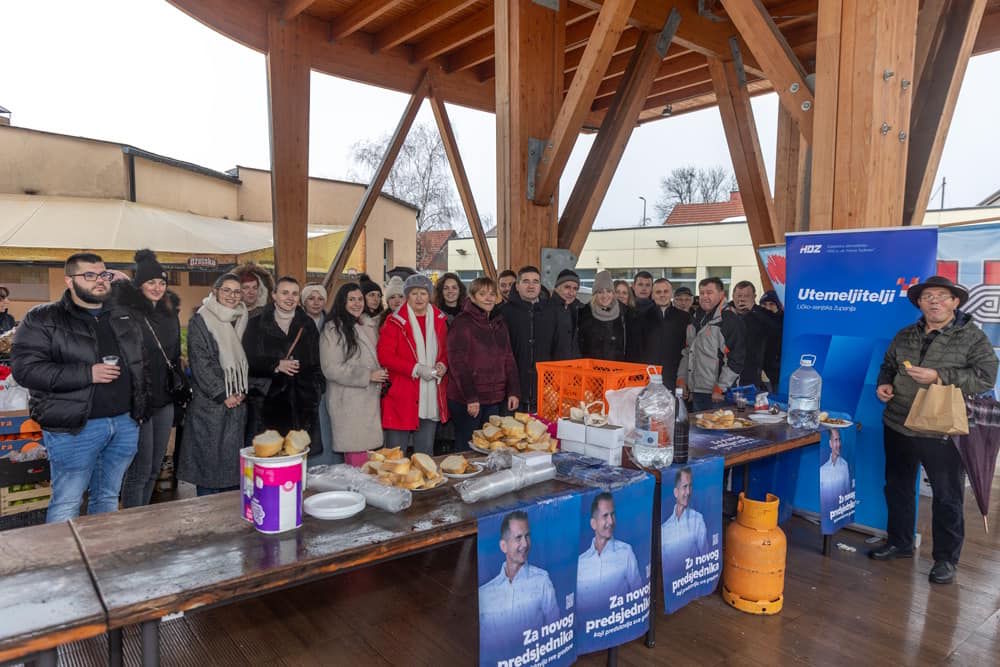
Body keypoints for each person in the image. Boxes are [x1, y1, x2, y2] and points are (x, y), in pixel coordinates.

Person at [870, 276, 998, 584]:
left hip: (942, 430)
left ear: (955, 302)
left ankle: (945, 559)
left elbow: (985, 377)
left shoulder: (972, 337)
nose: (934, 301)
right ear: (919, 302)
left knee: (947, 496)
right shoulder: (905, 335)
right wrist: (884, 383)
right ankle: (899, 542)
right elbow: (889, 364)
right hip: (898, 422)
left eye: (942, 296)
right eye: (928, 296)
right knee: (897, 486)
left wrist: (939, 376)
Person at [12, 253, 148, 522]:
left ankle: (101, 558)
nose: (99, 281)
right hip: (73, 428)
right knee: (67, 501)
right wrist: (87, 373)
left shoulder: (122, 315)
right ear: (69, 280)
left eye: (103, 274)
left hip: (123, 423)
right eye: (89, 275)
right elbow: (25, 370)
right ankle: (64, 563)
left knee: (108, 496)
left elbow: (140, 363)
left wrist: (139, 409)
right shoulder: (43, 318)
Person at [118, 250, 182, 508]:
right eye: (151, 282)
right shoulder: (127, 314)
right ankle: (133, 521)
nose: (157, 287)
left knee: (155, 467)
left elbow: (176, 355)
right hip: (139, 400)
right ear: (139, 285)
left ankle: (143, 516)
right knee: (140, 469)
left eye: (162, 282)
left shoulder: (170, 315)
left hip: (165, 398)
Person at [177, 273, 248, 496]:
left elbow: (246, 360)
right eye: (226, 290)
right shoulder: (201, 320)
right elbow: (201, 362)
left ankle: (231, 518)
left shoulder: (242, 317)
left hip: (237, 403)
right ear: (215, 291)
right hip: (211, 405)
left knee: (233, 472)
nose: (232, 295)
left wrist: (242, 390)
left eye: (236, 291)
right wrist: (222, 394)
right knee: (208, 469)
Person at [243, 276, 323, 450]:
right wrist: (276, 365)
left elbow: (317, 362)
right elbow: (247, 360)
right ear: (274, 295)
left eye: (295, 293)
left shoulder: (307, 324)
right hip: (267, 405)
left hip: (302, 405)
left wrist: (316, 390)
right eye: (285, 292)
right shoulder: (256, 324)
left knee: (298, 457)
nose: (290, 297)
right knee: (269, 457)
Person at [378, 274, 449, 455]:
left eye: (423, 293)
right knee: (395, 453)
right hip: (401, 394)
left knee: (425, 452)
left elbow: (446, 350)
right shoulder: (394, 322)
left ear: (429, 296)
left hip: (430, 394)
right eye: (414, 293)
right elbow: (384, 356)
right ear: (407, 297)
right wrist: (416, 368)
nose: (419, 298)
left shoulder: (440, 320)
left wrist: (443, 364)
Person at [446, 277, 519, 450]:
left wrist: (514, 391)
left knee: (488, 447)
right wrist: (471, 397)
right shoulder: (462, 322)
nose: (489, 298)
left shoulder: (499, 323)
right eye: (482, 294)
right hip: (467, 400)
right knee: (467, 447)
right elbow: (458, 363)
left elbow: (508, 358)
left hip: (493, 398)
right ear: (472, 296)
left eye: (492, 294)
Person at [320, 283, 388, 465]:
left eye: (359, 299)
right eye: (351, 299)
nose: (357, 304)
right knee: (356, 461)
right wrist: (368, 375)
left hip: (367, 401)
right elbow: (331, 368)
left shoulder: (367, 324)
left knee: (366, 461)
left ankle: (361, 493)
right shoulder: (333, 329)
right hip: (349, 403)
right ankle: (356, 493)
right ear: (342, 302)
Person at [479, 511, 560, 650]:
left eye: (527, 536)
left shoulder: (542, 581)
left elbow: (555, 630)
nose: (525, 544)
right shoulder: (484, 593)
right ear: (503, 546)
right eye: (518, 538)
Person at [677, 277, 746, 412]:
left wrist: (721, 387)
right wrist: (682, 378)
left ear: (721, 294)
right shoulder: (696, 318)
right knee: (698, 431)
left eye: (709, 292)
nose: (704, 296)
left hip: (718, 395)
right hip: (697, 391)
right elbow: (688, 352)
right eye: (702, 293)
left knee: (719, 431)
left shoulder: (728, 319)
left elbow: (736, 358)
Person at [501, 266, 562, 413]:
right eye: (526, 281)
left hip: (544, 389)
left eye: (535, 281)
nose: (531, 285)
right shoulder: (504, 312)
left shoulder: (551, 311)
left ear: (540, 285)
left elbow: (558, 347)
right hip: (512, 392)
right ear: (517, 285)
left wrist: (555, 384)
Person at [577, 493, 642, 614]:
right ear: (593, 523)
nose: (611, 521)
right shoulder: (581, 563)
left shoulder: (626, 552)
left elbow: (638, 595)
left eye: (613, 514)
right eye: (605, 516)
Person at [300, 283, 336, 465]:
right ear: (303, 301)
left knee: (330, 427)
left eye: (320, 298)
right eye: (311, 299)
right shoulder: (296, 322)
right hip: (306, 386)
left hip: (331, 383)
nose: (316, 303)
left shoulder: (332, 323)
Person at [638, 278, 691, 389]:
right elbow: (636, 349)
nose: (662, 295)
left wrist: (685, 379)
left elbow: (689, 350)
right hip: (647, 378)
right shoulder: (641, 317)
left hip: (675, 378)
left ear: (671, 293)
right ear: (652, 295)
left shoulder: (685, 318)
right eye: (658, 292)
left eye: (665, 291)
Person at [731, 280, 779, 389]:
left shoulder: (761, 314)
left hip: (752, 375)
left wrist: (753, 308)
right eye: (739, 295)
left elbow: (776, 328)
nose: (742, 299)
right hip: (727, 376)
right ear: (733, 296)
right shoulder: (726, 313)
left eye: (747, 296)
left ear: (754, 297)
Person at [578, 270, 631, 361]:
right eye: (600, 292)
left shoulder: (625, 313)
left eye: (609, 291)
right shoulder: (583, 313)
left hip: (618, 369)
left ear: (613, 294)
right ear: (595, 294)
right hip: (592, 370)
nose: (605, 296)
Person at [661, 467, 709, 567]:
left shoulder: (697, 520)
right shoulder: (664, 529)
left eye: (690, 486)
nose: (688, 492)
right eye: (684, 487)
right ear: (676, 492)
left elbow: (705, 559)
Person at [550, 269, 582, 359]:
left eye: (575, 288)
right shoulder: (546, 310)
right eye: (567, 287)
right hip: (553, 368)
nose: (571, 292)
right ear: (557, 287)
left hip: (576, 367)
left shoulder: (580, 309)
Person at [820, 428, 851, 514]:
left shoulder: (845, 465)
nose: (839, 444)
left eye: (839, 440)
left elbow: (847, 493)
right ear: (830, 443)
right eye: (835, 440)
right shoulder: (823, 470)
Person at [759, 290, 784, 391]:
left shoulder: (785, 321)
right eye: (764, 304)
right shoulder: (757, 319)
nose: (767, 307)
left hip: (777, 372)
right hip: (759, 370)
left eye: (771, 304)